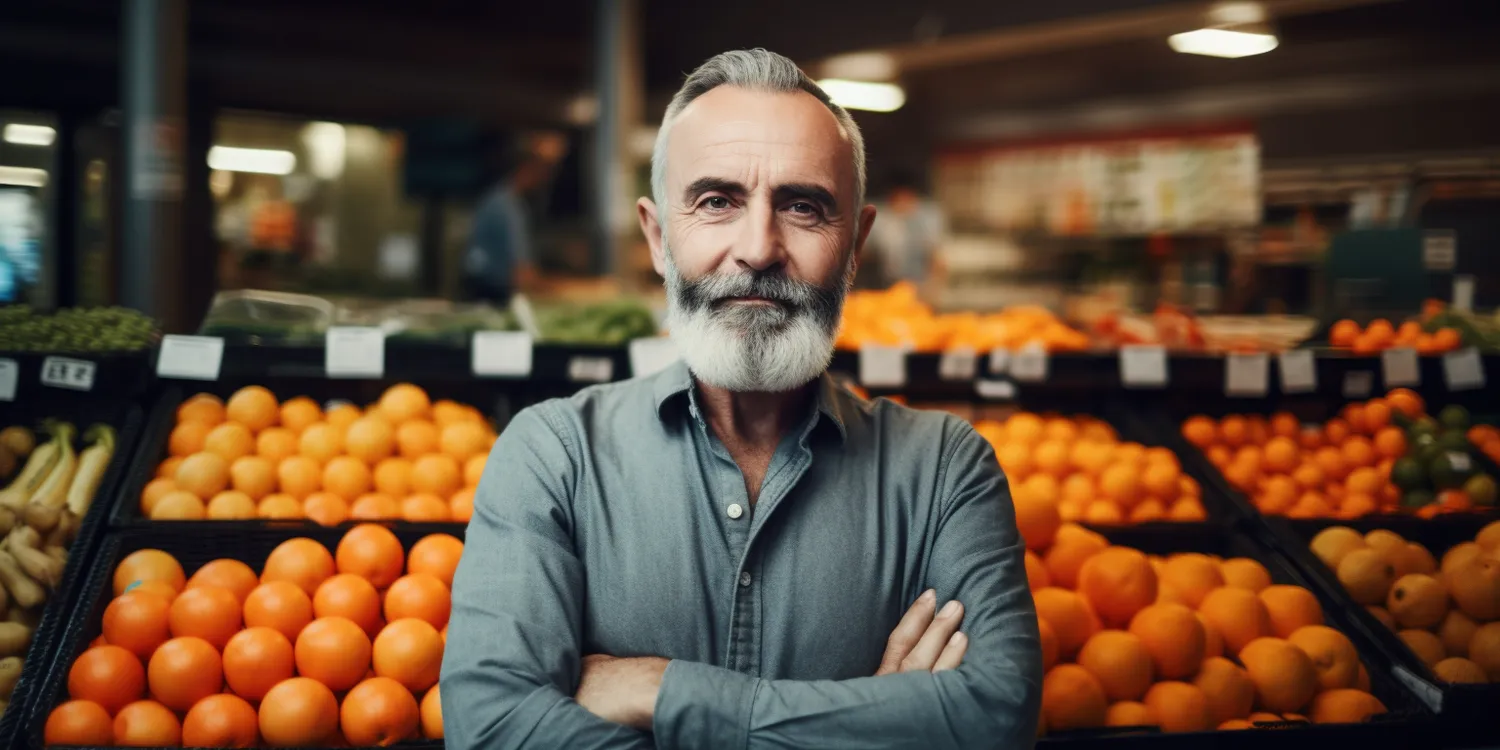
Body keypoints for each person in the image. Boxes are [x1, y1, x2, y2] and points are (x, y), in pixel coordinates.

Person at [442, 49, 1041, 749]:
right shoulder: (552, 457)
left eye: (804, 206)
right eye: (717, 201)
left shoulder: (946, 471)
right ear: (659, 237)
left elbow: (996, 720)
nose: (758, 248)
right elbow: (491, 731)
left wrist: (659, 689)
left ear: (856, 246)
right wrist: (873, 718)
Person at [463, 156, 546, 305]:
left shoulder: (492, 198)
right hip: (493, 292)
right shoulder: (509, 208)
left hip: (476, 284)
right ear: (524, 171)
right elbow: (521, 270)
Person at [866, 174, 947, 288]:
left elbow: (938, 259)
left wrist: (933, 286)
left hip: (919, 285)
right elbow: (864, 252)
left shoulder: (927, 219)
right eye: (897, 199)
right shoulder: (883, 220)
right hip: (887, 285)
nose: (902, 204)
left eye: (906, 199)